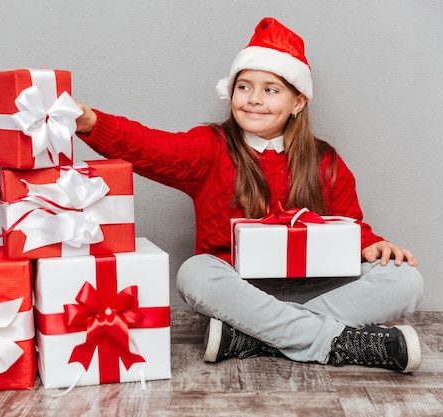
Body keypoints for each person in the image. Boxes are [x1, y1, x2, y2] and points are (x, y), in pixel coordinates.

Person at [74, 17, 424, 372]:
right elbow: (149, 147)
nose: (254, 100)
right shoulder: (210, 148)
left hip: (316, 288)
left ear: (298, 101)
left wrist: (372, 245)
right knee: (194, 273)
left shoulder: (325, 160)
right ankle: (343, 342)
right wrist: (91, 122)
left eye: (270, 90)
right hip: (240, 292)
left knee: (405, 279)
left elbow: (351, 225)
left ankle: (253, 338)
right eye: (244, 87)